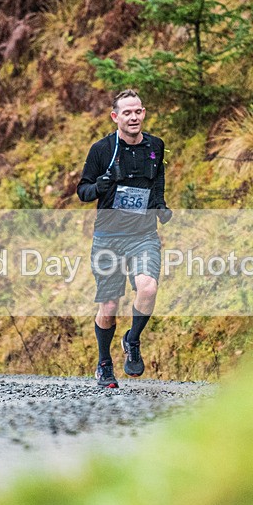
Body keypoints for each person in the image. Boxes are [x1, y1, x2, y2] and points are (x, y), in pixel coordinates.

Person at [77, 89, 172, 388]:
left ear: (144, 113)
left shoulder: (155, 146)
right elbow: (83, 191)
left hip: (143, 235)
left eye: (137, 111)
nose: (133, 117)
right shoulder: (101, 150)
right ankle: (104, 363)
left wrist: (160, 204)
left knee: (148, 288)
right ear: (115, 117)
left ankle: (132, 340)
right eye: (127, 113)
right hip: (108, 238)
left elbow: (156, 178)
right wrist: (100, 186)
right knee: (109, 306)